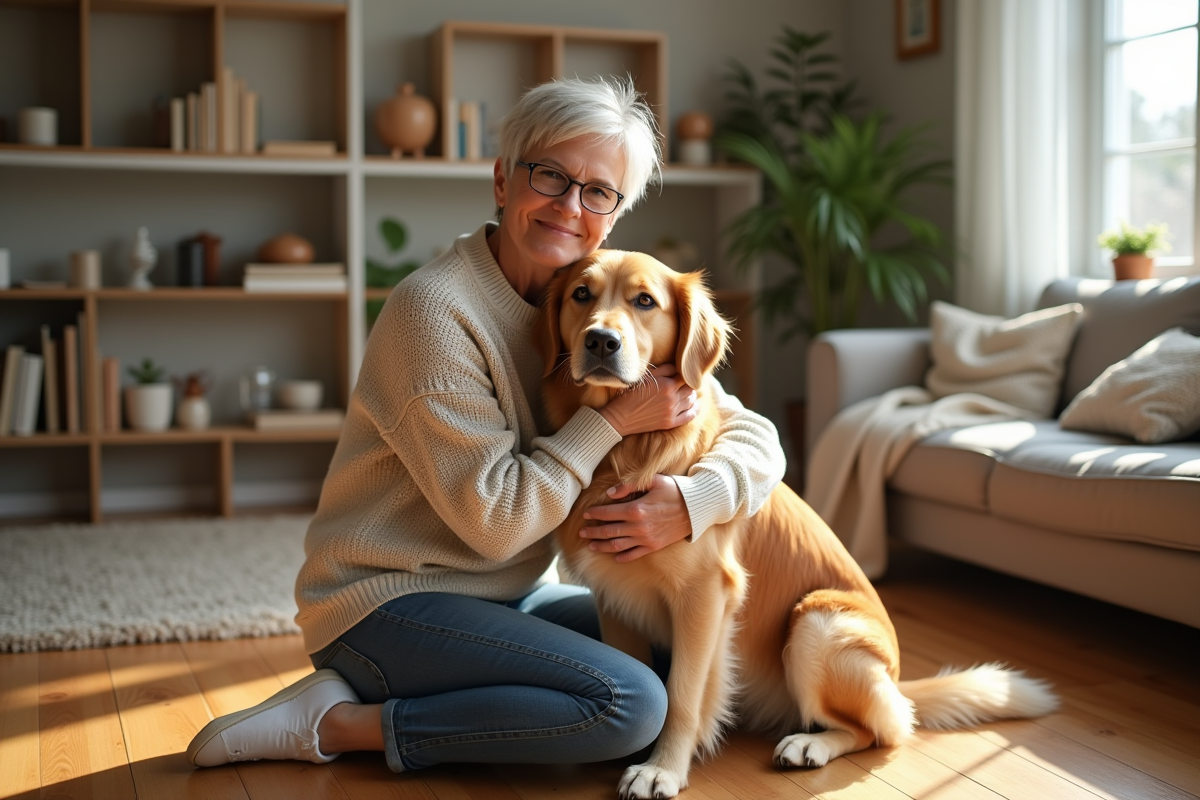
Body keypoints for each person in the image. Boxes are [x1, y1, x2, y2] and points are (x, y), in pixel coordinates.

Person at [187, 75, 786, 774]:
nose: (570, 206)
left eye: (598, 192)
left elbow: (747, 429)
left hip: (507, 591)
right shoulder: (434, 314)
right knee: (629, 704)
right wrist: (617, 420)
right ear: (503, 180)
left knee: (676, 645)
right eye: (551, 176)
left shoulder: (588, 308)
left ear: (614, 214)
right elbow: (496, 523)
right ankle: (336, 721)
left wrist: (696, 499)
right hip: (387, 602)